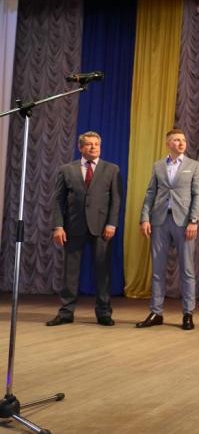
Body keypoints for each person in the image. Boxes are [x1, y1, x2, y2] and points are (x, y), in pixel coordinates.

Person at [47, 131, 122, 326]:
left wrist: (112, 223)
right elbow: (58, 201)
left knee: (103, 272)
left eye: (96, 144)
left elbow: (116, 200)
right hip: (73, 227)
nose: (93, 147)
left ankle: (104, 313)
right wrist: (58, 226)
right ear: (80, 148)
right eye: (89, 144)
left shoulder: (111, 169)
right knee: (70, 272)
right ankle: (66, 313)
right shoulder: (66, 170)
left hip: (102, 228)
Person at [137, 128, 199, 330]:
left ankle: (188, 313)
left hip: (183, 222)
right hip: (159, 221)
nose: (181, 143)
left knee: (187, 270)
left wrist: (194, 221)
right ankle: (156, 312)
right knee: (157, 269)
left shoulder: (194, 166)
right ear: (168, 144)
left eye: (183, 140)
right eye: (176, 140)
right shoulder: (158, 166)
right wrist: (144, 218)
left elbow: (197, 195)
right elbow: (150, 193)